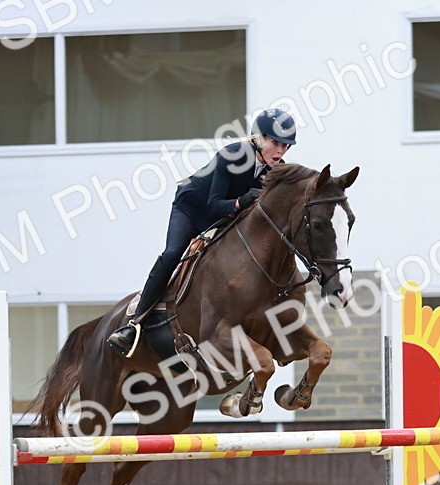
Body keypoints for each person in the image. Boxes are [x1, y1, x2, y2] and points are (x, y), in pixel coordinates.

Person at [106, 108, 298, 356]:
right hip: (193, 209)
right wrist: (240, 202)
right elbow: (212, 204)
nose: (281, 152)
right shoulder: (232, 156)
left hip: (225, 219)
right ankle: (134, 325)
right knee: (173, 253)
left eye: (286, 146)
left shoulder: (276, 171)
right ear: (258, 138)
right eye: (275, 143)